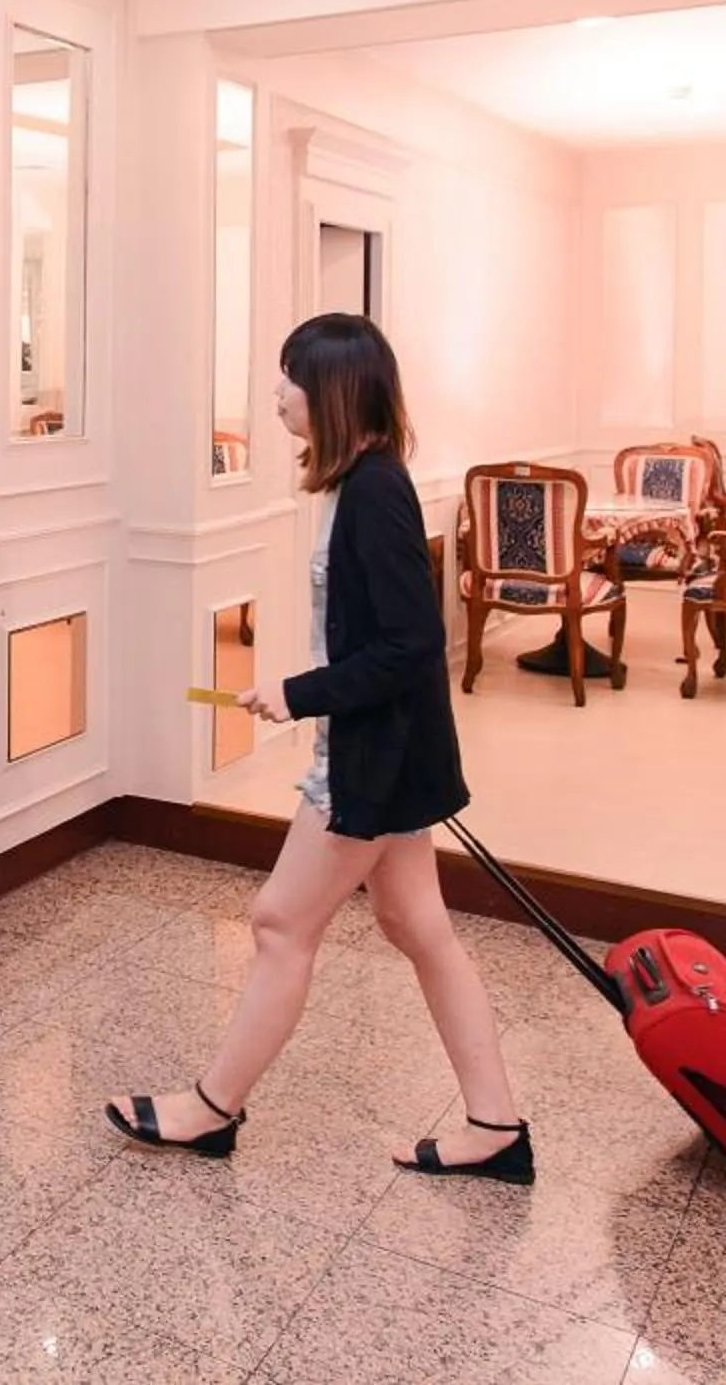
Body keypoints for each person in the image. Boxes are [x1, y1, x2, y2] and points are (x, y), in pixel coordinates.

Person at [107, 313, 529, 1180]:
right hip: (388, 753)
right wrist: (306, 693)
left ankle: (211, 1109)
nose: (275, 395)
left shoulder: (374, 493)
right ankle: (495, 1123)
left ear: (330, 390)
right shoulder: (365, 484)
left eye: (287, 377)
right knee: (418, 925)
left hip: (375, 763)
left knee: (277, 923)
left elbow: (410, 647)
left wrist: (298, 695)